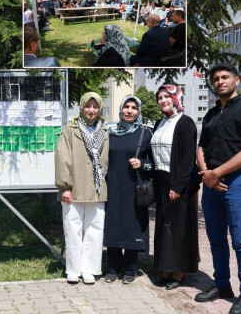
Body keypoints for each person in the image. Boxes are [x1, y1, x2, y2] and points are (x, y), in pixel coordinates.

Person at [195, 63, 241, 314]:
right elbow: (201, 148)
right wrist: (207, 174)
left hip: (238, 181)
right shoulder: (211, 115)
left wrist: (217, 173)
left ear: (236, 80)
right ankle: (222, 285)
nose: (220, 82)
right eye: (215, 79)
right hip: (212, 183)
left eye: (225, 77)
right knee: (216, 238)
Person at [55, 92, 108, 285]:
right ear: (82, 106)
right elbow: (62, 158)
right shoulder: (71, 128)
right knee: (73, 229)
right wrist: (65, 187)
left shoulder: (104, 130)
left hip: (96, 188)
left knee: (95, 230)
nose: (91, 110)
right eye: (88, 106)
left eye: (95, 107)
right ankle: (73, 269)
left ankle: (89, 269)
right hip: (74, 188)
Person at [151, 85, 200, 290]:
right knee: (164, 227)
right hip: (161, 181)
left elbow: (188, 158)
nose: (163, 100)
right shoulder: (159, 122)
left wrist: (178, 186)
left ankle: (179, 272)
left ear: (176, 98)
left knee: (179, 228)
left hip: (180, 183)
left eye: (167, 97)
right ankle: (166, 268)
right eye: (160, 97)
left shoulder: (185, 123)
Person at [104, 96, 152, 284]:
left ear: (138, 111)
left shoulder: (145, 133)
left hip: (134, 187)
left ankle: (131, 268)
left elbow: (153, 164)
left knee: (132, 225)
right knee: (113, 225)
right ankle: (113, 267)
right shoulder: (111, 133)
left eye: (134, 108)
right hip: (113, 186)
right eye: (126, 107)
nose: (130, 111)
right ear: (121, 109)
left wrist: (142, 163)